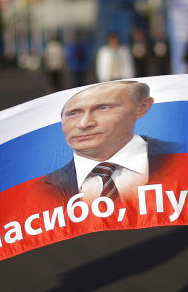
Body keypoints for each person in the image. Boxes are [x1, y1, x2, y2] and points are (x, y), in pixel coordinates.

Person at [40, 80, 180, 203]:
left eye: (103, 108)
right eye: (73, 113)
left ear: (142, 108)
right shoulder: (42, 189)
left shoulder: (186, 158)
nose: (84, 124)